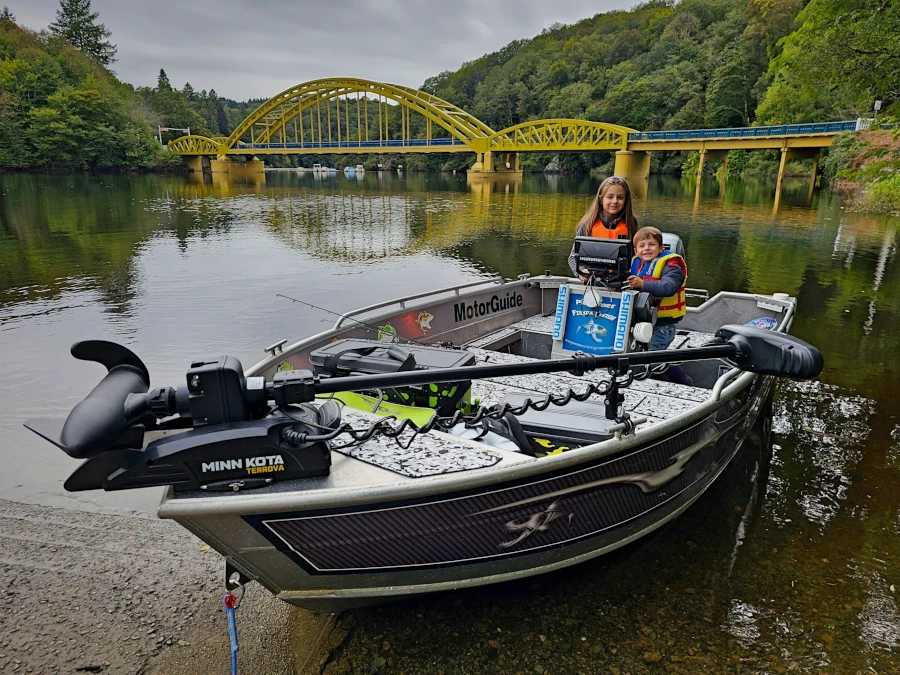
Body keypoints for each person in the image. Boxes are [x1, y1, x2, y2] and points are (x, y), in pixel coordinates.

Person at [625, 226, 692, 385]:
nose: (646, 249)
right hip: (643, 321)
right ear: (636, 250)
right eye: (642, 246)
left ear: (661, 248)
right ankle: (656, 377)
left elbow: (669, 288)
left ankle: (685, 381)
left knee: (653, 359)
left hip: (663, 324)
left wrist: (642, 284)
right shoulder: (636, 262)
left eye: (651, 244)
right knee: (642, 356)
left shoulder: (672, 264)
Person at [568, 176, 639, 280]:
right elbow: (573, 257)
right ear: (601, 200)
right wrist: (581, 273)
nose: (615, 201)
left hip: (619, 281)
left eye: (620, 197)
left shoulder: (631, 224)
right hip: (591, 279)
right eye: (610, 197)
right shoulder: (588, 224)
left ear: (626, 200)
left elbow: (637, 256)